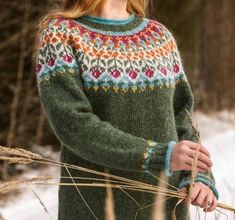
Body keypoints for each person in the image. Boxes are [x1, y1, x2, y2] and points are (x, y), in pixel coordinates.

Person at [34, 0, 219, 219]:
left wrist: (198, 175)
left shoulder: (159, 36)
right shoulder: (61, 34)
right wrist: (160, 156)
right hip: (95, 209)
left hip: (165, 207)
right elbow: (73, 124)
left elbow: (183, 116)